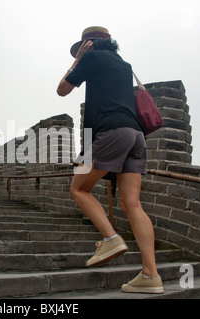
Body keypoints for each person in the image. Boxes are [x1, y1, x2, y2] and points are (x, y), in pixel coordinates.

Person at [57, 26, 164, 294]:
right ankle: (151, 275)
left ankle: (110, 238)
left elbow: (61, 90)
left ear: (88, 45)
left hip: (111, 133)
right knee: (132, 204)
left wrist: (76, 61)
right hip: (136, 136)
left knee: (79, 188)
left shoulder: (90, 58)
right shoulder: (124, 65)